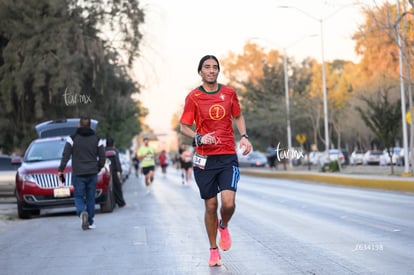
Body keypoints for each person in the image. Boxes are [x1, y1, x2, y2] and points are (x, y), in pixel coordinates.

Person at [179, 55, 252, 266]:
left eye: (214, 67)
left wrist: (244, 137)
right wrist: (198, 137)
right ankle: (213, 250)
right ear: (200, 72)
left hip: (228, 155)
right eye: (207, 67)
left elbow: (238, 116)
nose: (211, 70)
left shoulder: (229, 93)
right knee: (210, 206)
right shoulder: (193, 97)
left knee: (228, 203)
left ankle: (224, 225)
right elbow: (183, 126)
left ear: (218, 71)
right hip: (205, 159)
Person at [58, 116, 106, 230]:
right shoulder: (97, 139)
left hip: (78, 174)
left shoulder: (72, 138)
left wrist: (61, 169)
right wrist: (98, 168)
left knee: (79, 196)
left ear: (79, 125)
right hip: (92, 173)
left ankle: (82, 213)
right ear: (90, 126)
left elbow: (66, 155)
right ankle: (90, 221)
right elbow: (103, 157)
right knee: (90, 198)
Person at [105, 137, 127, 208]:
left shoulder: (103, 151)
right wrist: (119, 171)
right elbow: (117, 162)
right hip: (114, 171)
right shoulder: (115, 151)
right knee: (117, 187)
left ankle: (113, 203)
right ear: (113, 144)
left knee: (109, 188)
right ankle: (121, 203)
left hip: (106, 172)